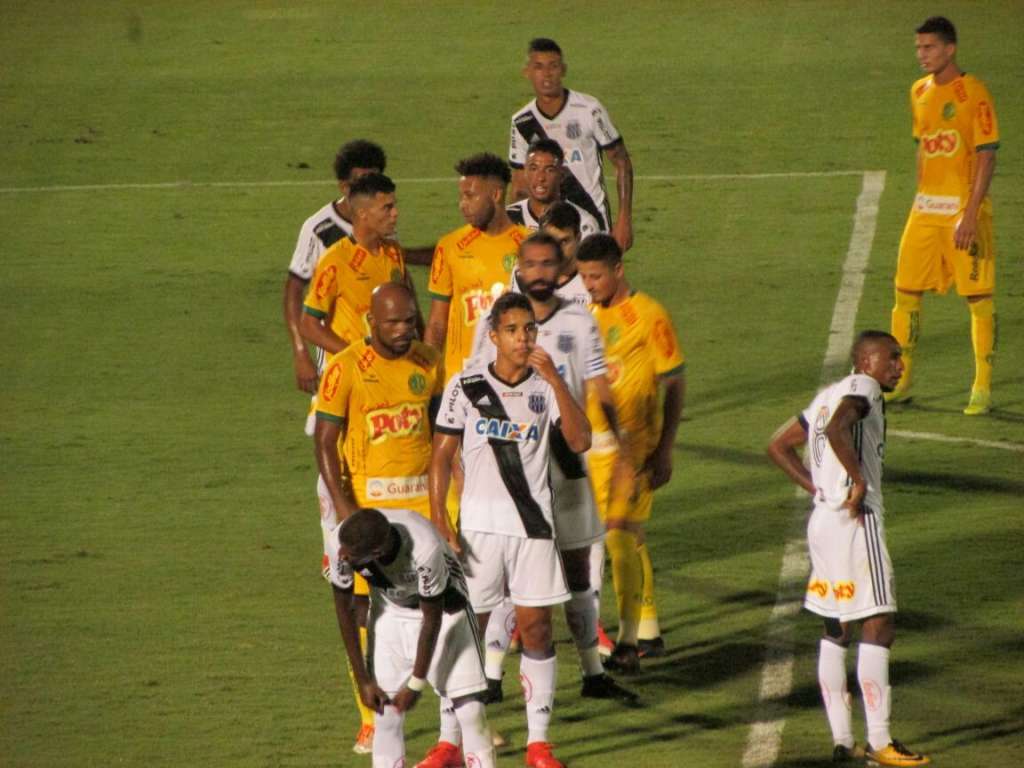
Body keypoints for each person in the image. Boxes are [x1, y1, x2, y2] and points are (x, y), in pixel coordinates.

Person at [470, 234, 636, 704]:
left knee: (579, 569)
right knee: (507, 576)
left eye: (548, 264)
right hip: (516, 470)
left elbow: (600, 386)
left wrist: (622, 445)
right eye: (531, 263)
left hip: (567, 466)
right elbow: (473, 392)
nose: (540, 272)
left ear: (560, 266)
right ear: (518, 265)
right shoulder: (496, 323)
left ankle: (591, 672)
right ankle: (490, 676)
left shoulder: (579, 319)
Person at [431, 292, 591, 768]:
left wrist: (557, 380)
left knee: (537, 630)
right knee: (466, 633)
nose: (524, 338)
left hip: (534, 531)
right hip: (478, 531)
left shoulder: (546, 387)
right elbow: (440, 454)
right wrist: (440, 517)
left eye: (529, 330)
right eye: (514, 330)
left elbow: (580, 439)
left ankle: (539, 744)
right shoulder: (467, 385)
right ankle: (448, 743)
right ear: (494, 336)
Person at [766, 331, 931, 767]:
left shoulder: (825, 395)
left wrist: (816, 487)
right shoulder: (863, 387)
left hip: (823, 522)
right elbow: (841, 426)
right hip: (857, 521)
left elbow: (777, 445)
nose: (899, 366)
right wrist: (857, 482)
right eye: (891, 358)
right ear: (865, 362)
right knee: (879, 624)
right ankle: (880, 741)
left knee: (836, 630)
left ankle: (843, 740)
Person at [576, 234, 685, 671]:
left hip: (634, 447)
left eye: (596, 276)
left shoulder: (649, 315)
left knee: (620, 537)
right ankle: (648, 630)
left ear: (618, 269)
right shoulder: (582, 317)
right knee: (617, 542)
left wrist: (664, 449)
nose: (589, 285)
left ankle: (625, 641)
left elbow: (674, 381)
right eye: (583, 277)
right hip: (591, 451)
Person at [888, 16, 1000, 415]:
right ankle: (901, 380)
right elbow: (923, 147)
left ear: (950, 48)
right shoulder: (918, 91)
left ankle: (982, 386)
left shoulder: (974, 94)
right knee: (905, 292)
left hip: (962, 212)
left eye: (929, 47)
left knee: (977, 298)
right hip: (925, 211)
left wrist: (970, 214)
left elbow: (987, 155)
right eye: (919, 48)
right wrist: (920, 195)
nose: (922, 55)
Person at [327, 507, 496, 768]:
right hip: (389, 614)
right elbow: (344, 609)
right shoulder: (342, 540)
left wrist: (416, 683)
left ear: (377, 553)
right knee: (386, 714)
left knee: (470, 711)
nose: (341, 557)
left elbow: (432, 618)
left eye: (351, 556)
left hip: (448, 610)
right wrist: (363, 680)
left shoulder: (423, 548)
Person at [282, 140, 385, 431]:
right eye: (359, 183)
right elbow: (293, 290)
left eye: (373, 181)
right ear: (343, 186)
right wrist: (301, 352)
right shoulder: (319, 229)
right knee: (333, 436)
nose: (367, 189)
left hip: (382, 351)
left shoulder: (381, 222)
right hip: (337, 354)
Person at [509, 38, 634, 251]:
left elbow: (621, 162)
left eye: (553, 66)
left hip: (592, 219)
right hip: (544, 225)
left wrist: (624, 220)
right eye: (538, 67)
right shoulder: (522, 122)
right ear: (527, 72)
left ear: (563, 70)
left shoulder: (589, 109)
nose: (546, 74)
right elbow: (520, 186)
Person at [424, 153, 529, 383]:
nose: (462, 204)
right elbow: (436, 322)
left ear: (496, 194)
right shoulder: (449, 246)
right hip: (459, 379)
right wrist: (428, 373)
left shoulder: (529, 246)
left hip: (514, 377)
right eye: (461, 196)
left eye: (470, 196)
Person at [301, 173, 419, 359]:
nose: (395, 213)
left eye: (394, 205)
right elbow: (309, 325)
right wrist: (357, 358)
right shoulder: (336, 261)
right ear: (363, 213)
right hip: (355, 380)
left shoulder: (393, 252)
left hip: (394, 369)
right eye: (387, 208)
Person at [506, 138, 601, 238]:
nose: (540, 177)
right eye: (533, 169)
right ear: (525, 172)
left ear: (562, 175)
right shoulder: (508, 218)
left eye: (549, 170)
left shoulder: (584, 223)